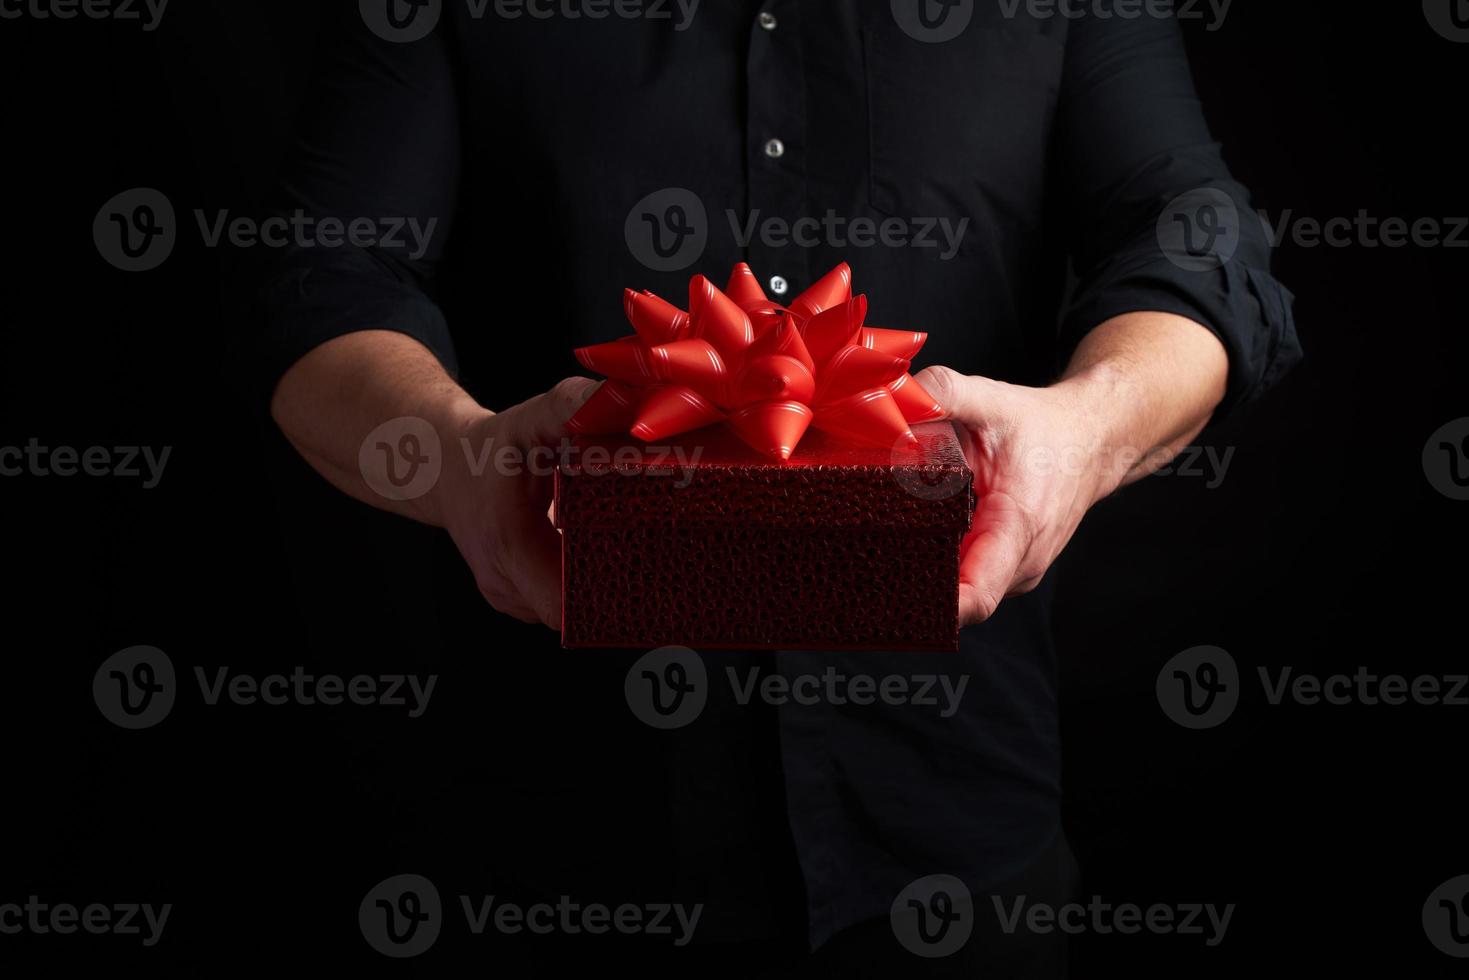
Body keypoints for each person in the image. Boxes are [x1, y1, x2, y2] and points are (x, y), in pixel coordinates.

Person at [258, 1, 1299, 973]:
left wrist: (1086, 424)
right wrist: (459, 456)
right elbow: (319, 280)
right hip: (562, 842)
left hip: (957, 834)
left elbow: (1192, 233)